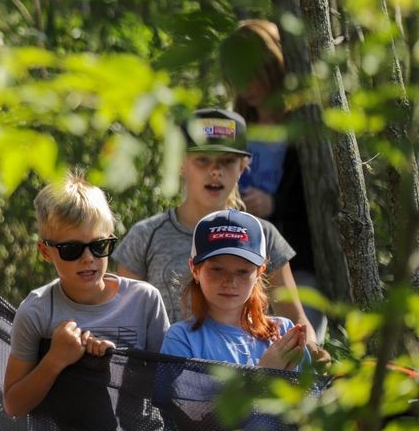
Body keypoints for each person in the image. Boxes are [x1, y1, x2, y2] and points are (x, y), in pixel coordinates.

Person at [4, 171, 175, 431]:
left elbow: (169, 387)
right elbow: (14, 402)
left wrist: (119, 365)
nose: (88, 259)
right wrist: (56, 361)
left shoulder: (144, 301)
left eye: (99, 246)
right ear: (45, 250)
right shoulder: (37, 311)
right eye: (71, 249)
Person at [113, 108, 322, 356]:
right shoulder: (144, 236)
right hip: (166, 384)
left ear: (244, 165)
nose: (215, 171)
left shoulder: (264, 235)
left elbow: (295, 317)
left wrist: (312, 351)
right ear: (180, 163)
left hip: (250, 380)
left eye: (227, 161)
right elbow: (125, 324)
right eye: (203, 159)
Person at [220, 19, 326, 337]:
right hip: (241, 263)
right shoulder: (235, 127)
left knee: (297, 344)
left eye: (254, 73)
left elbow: (321, 196)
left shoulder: (304, 126)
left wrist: (275, 204)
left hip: (298, 264)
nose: (247, 84)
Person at [161, 209, 311, 370]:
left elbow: (311, 393)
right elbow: (174, 396)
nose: (230, 282)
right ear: (195, 269)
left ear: (260, 272)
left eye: (243, 271)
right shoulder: (181, 338)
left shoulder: (284, 334)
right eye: (217, 269)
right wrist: (263, 374)